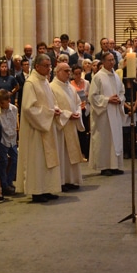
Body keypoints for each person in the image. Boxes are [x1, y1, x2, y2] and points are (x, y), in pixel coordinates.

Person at [16, 53, 63, 203]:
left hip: (47, 125)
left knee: (47, 159)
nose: (50, 69)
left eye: (50, 65)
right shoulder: (31, 83)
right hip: (36, 130)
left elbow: (51, 101)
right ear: (37, 67)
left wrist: (54, 109)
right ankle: (37, 191)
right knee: (37, 160)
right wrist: (49, 113)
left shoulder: (44, 81)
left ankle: (47, 188)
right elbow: (28, 108)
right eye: (47, 66)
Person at [88, 52, 126, 176]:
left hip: (114, 111)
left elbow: (122, 92)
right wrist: (108, 100)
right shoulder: (98, 77)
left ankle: (115, 165)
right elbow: (92, 97)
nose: (112, 62)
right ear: (103, 62)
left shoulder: (116, 76)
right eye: (109, 60)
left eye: (113, 60)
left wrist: (119, 99)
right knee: (104, 139)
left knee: (115, 138)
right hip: (103, 115)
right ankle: (104, 166)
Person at [51, 62, 84, 191]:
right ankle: (62, 181)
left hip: (71, 123)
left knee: (71, 154)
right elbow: (53, 106)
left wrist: (77, 113)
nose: (68, 73)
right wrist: (67, 115)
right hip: (60, 126)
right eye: (65, 71)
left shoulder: (70, 87)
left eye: (69, 71)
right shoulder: (52, 87)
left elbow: (78, 102)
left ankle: (71, 180)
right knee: (62, 153)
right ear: (58, 72)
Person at [0, 89, 18, 196]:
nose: (1, 105)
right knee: (3, 162)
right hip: (2, 140)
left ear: (9, 100)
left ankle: (9, 181)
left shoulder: (14, 109)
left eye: (3, 103)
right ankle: (4, 185)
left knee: (15, 160)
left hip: (12, 139)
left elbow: (14, 123)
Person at [70, 64, 90, 157]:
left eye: (79, 73)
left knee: (85, 130)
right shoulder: (70, 84)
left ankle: (85, 152)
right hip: (76, 109)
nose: (78, 75)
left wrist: (87, 95)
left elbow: (90, 95)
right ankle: (78, 152)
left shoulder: (86, 83)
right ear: (73, 74)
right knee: (78, 131)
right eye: (76, 74)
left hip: (85, 108)